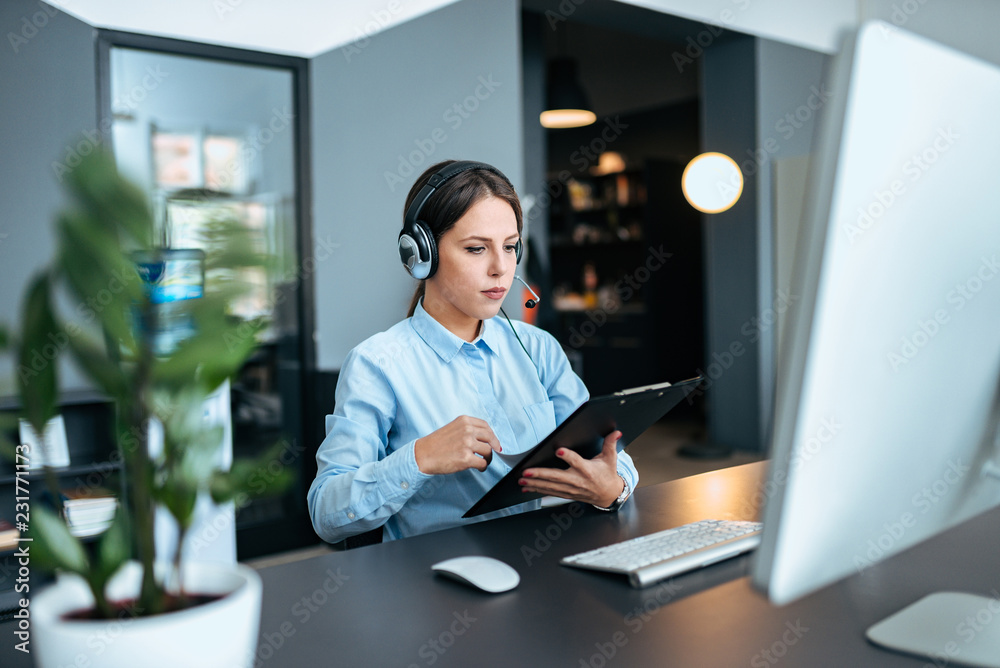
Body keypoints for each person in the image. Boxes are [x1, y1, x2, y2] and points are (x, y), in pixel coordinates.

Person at [307, 160, 638, 544]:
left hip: (541, 564)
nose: (501, 268)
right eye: (477, 248)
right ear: (421, 254)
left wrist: (612, 488)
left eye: (511, 247)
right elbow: (326, 514)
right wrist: (420, 458)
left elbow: (612, 457)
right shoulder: (377, 364)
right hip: (434, 581)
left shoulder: (539, 349)